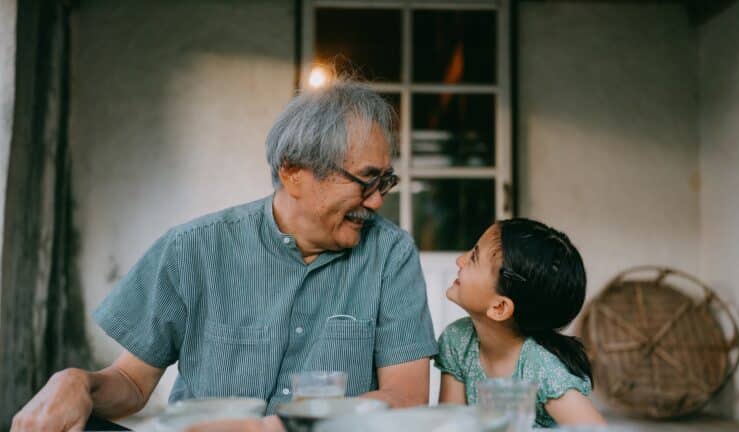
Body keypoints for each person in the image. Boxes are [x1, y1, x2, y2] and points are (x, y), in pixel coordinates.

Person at [12, 80, 437, 431]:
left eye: (386, 182)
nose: (378, 202)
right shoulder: (193, 249)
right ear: (293, 173)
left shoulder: (390, 255)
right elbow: (131, 383)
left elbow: (405, 398)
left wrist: (277, 428)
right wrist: (76, 383)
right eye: (365, 181)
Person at [435, 218, 605, 428]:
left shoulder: (541, 367)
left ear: (499, 308)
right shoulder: (457, 340)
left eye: (473, 259)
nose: (460, 260)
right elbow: (451, 423)